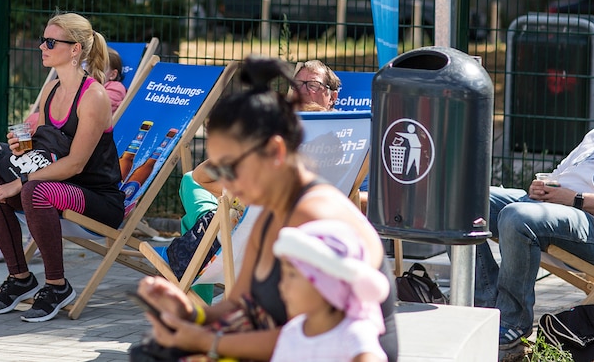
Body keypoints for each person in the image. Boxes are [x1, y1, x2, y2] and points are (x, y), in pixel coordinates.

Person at [131, 55, 397, 362]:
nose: (227, 185)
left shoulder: (317, 223)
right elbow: (240, 305)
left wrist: (206, 341)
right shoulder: (269, 214)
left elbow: (307, 340)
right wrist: (189, 317)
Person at [0, 12, 124, 322]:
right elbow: (47, 149)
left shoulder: (94, 97)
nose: (41, 47)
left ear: (74, 50)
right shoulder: (51, 90)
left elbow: (75, 163)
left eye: (50, 41)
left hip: (97, 198)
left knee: (33, 189)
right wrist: (23, 148)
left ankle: (57, 286)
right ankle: (20, 278)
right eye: (42, 40)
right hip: (56, 187)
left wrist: (20, 181)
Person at [478, 123, 594, 353]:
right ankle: (486, 308)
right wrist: (541, 188)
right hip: (552, 207)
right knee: (466, 201)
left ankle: (513, 322)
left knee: (516, 216)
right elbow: (559, 175)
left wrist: (574, 199)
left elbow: (573, 197)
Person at [271, 220, 389, 362]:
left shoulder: (353, 335)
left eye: (292, 274)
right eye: (283, 274)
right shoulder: (290, 334)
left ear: (327, 282)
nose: (282, 285)